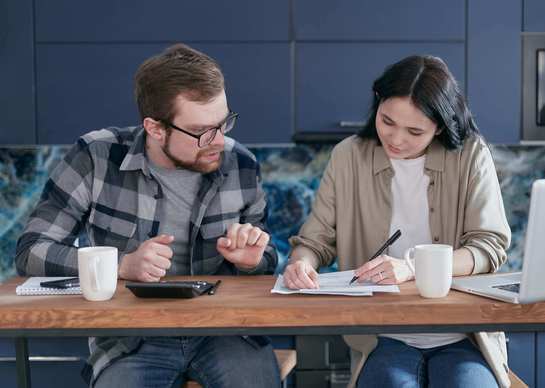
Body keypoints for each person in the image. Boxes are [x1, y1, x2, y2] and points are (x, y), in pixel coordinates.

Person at [15, 43, 281, 388]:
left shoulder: (241, 164)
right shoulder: (96, 156)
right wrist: (121, 266)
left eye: (224, 123)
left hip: (223, 329)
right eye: (202, 131)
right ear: (156, 128)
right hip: (129, 337)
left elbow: (269, 258)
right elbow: (31, 251)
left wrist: (252, 260)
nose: (219, 140)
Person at [283, 55, 511, 388]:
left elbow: (488, 247)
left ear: (441, 126)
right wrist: (300, 264)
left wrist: (414, 266)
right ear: (377, 102)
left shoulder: (472, 155)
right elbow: (315, 240)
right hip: (382, 334)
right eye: (387, 121)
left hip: (463, 333)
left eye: (415, 131)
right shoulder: (348, 156)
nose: (396, 139)